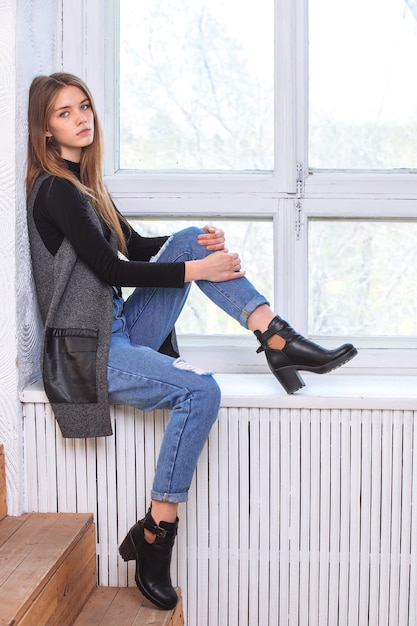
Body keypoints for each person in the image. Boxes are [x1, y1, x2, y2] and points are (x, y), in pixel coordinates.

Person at [26, 72, 357, 611]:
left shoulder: (85, 185)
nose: (82, 117)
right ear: (44, 130)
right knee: (202, 392)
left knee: (184, 239)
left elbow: (135, 244)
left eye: (84, 105)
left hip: (118, 328)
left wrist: (197, 248)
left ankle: (274, 334)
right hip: (88, 352)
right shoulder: (56, 189)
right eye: (65, 112)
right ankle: (155, 538)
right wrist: (200, 268)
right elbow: (113, 266)